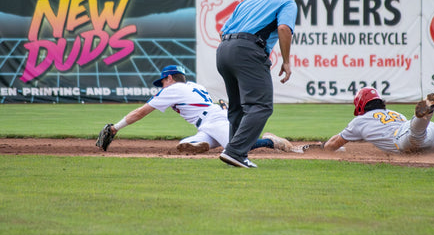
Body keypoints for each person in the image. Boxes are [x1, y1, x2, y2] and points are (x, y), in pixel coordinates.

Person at [104, 65, 294, 159]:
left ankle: (270, 141)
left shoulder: (171, 89)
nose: (161, 86)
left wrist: (116, 127)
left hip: (213, 119)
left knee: (235, 150)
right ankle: (202, 142)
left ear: (169, 78)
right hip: (209, 121)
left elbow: (141, 112)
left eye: (162, 82)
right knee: (185, 145)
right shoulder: (193, 85)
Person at [216, 0, 297, 169]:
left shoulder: (246, 2)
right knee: (261, 106)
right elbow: (284, 28)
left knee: (237, 107)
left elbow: (222, 31)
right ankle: (235, 152)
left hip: (224, 49)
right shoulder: (286, 2)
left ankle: (234, 154)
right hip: (248, 50)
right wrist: (286, 61)